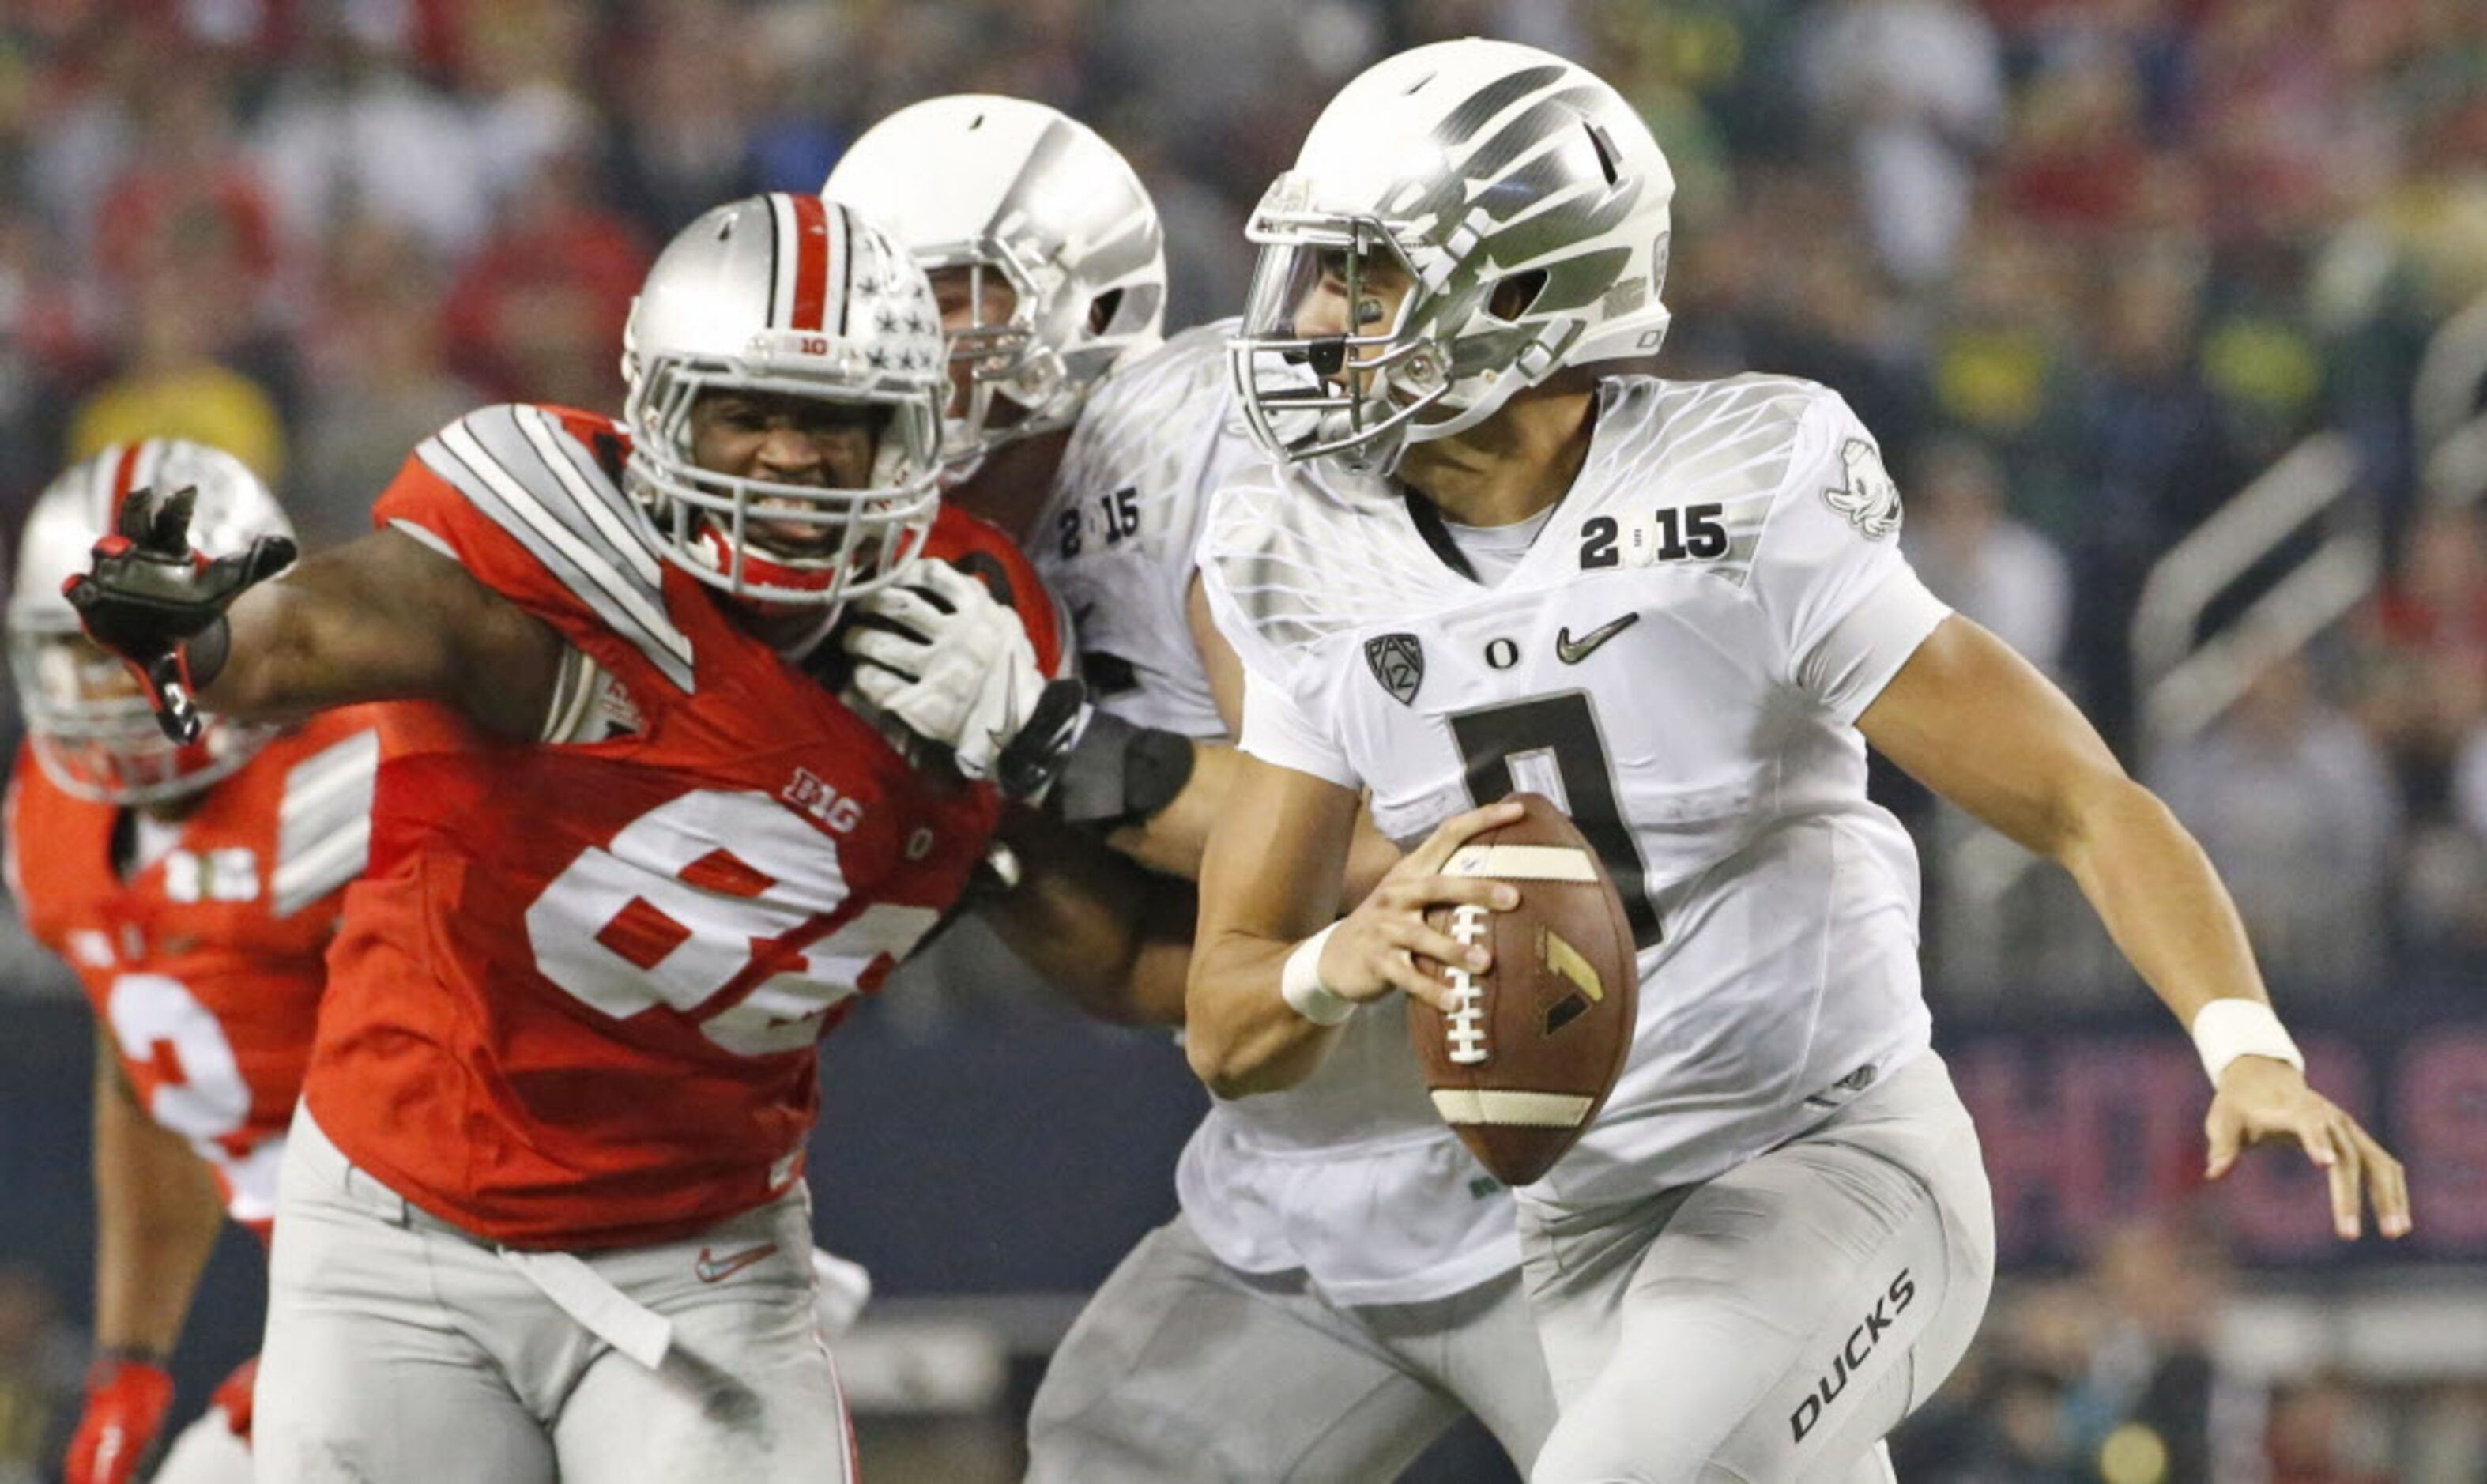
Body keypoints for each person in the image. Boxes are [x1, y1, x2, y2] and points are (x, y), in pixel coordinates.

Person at [1189, 39, 2411, 1484]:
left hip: (1831, 1164)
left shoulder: (1738, 492)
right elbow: (1228, 1017)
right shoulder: (1297, 555)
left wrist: (2246, 1043)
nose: (1319, 317)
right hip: (1580, 1227)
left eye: (1366, 276)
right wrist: (1344, 957)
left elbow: (2080, 797)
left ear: (1521, 293)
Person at [61, 194, 1074, 1484]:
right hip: (399, 1224)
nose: (789, 458)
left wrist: (1049, 751)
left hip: (702, 1253)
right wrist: (215, 639)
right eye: (746, 413)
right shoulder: (560, 563)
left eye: (837, 421)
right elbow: (353, 617)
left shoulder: (977, 637)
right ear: (658, 414)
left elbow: (1112, 946)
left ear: (915, 438)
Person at [827, 95, 1559, 1479]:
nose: (903, 346)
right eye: (875, 306)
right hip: (1314, 1171)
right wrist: (993, 818)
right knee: (1110, 1448)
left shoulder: (1198, 434)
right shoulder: (950, 559)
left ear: (1079, 287)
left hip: (1560, 1133)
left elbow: (1395, 843)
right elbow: (1144, 968)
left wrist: (1047, 744)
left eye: (941, 296)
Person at [7, 440, 392, 1484]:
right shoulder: (51, 811)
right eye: (88, 648)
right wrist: (130, 1359)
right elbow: (147, 1075)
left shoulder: (361, 782)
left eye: (154, 642)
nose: (116, 686)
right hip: (353, 1306)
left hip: (489, 1284)